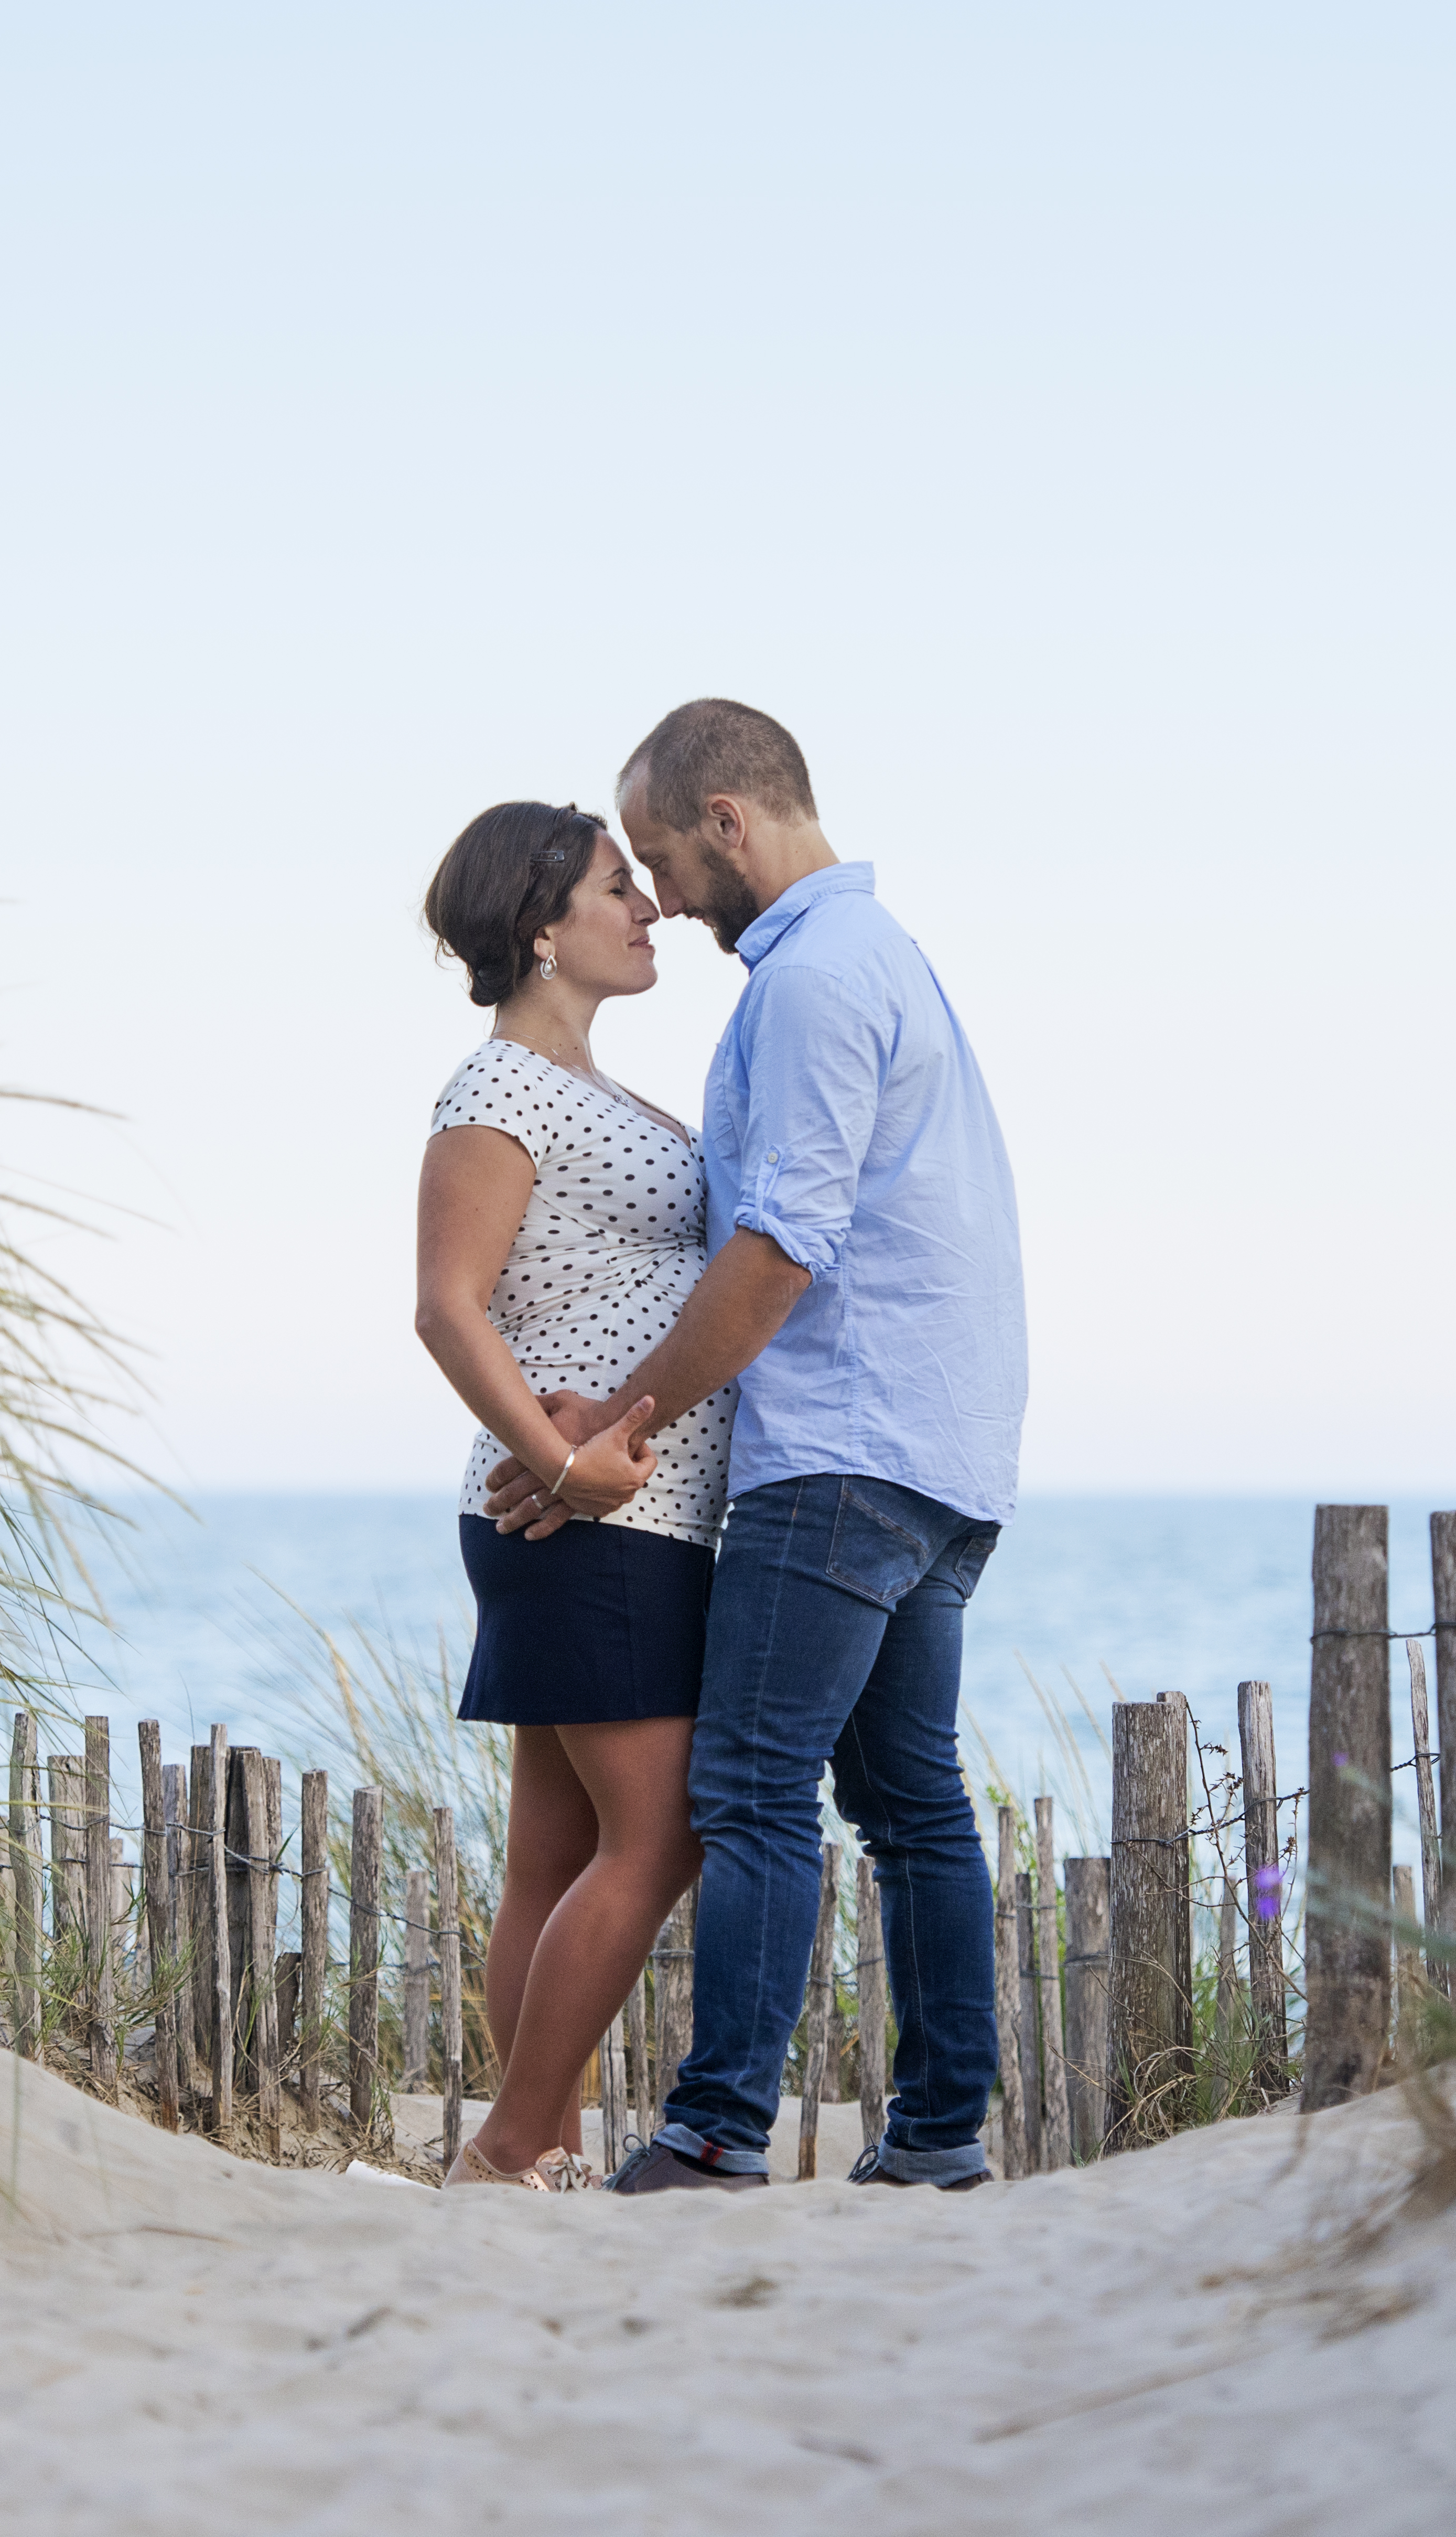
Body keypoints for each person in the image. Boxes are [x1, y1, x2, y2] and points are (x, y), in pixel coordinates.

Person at [484, 701, 1028, 2194]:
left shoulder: (810, 983)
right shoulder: (881, 957)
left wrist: (618, 1415)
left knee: (748, 1785)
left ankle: (717, 2128)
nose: (656, 893)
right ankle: (933, 2139)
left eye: (659, 855)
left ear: (729, 822)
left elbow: (780, 1246)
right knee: (911, 1802)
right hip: (946, 1446)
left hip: (841, 1447)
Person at [411, 799, 733, 2189]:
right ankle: (509, 2146)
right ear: (543, 927)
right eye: (619, 888)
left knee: (554, 1852)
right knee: (656, 1839)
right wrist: (563, 1464)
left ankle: (538, 2147)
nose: (648, 906)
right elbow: (445, 1308)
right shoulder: (496, 1095)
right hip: (592, 1521)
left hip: (623, 1515)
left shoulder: (593, 1091)